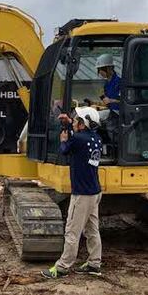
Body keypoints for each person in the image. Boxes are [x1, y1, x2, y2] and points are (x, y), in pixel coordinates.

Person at [41, 106, 103, 279]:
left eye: (77, 120)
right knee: (92, 230)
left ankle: (62, 267)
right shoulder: (96, 138)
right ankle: (94, 264)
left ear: (82, 124)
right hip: (95, 192)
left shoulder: (78, 140)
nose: (74, 121)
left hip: (82, 194)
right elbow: (77, 137)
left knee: (72, 231)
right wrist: (69, 124)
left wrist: (62, 139)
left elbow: (65, 150)